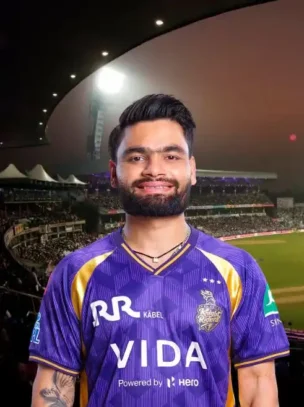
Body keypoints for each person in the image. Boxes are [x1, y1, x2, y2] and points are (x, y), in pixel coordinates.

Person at [28, 94, 289, 407]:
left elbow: (259, 385)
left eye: (171, 156)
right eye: (137, 157)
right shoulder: (74, 272)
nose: (154, 170)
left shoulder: (238, 268)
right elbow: (52, 389)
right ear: (113, 173)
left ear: (192, 169)